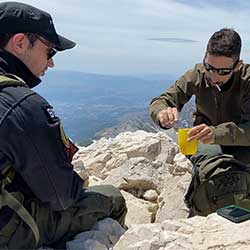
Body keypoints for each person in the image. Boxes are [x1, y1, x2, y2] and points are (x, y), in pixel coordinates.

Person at [0, 2, 127, 249]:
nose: (51, 63)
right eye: (50, 52)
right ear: (20, 43)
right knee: (112, 198)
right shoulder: (22, 105)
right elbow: (62, 197)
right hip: (7, 230)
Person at [150, 28, 250, 164]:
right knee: (210, 160)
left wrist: (216, 134)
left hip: (243, 145)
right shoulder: (197, 75)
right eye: (209, 67)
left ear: (238, 66)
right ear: (205, 56)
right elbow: (162, 100)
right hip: (205, 144)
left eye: (223, 71)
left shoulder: (247, 81)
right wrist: (162, 114)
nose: (214, 77)